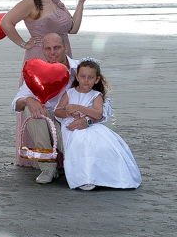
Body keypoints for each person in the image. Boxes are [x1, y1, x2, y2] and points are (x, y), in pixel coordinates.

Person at [10, 32, 113, 182]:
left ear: (65, 47)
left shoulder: (82, 70)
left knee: (87, 166)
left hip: (79, 123)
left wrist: (89, 121)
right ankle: (48, 169)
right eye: (48, 49)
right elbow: (16, 104)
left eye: (57, 48)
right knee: (32, 111)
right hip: (51, 123)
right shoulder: (37, 73)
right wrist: (27, 100)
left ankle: (83, 168)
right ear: (43, 50)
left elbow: (105, 108)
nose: (52, 53)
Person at [53, 59, 140, 191]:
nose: (86, 80)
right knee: (79, 141)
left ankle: (101, 175)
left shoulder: (96, 95)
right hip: (71, 125)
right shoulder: (69, 93)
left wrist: (79, 107)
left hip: (91, 125)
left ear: (97, 80)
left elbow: (98, 114)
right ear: (77, 77)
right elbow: (58, 111)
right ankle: (84, 177)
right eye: (82, 76)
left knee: (100, 143)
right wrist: (70, 113)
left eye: (90, 77)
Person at [0, 0, 89, 70]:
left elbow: (73, 29)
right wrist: (23, 44)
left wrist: (81, 2)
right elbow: (5, 22)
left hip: (63, 55)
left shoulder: (54, 0)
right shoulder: (29, 3)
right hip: (41, 57)